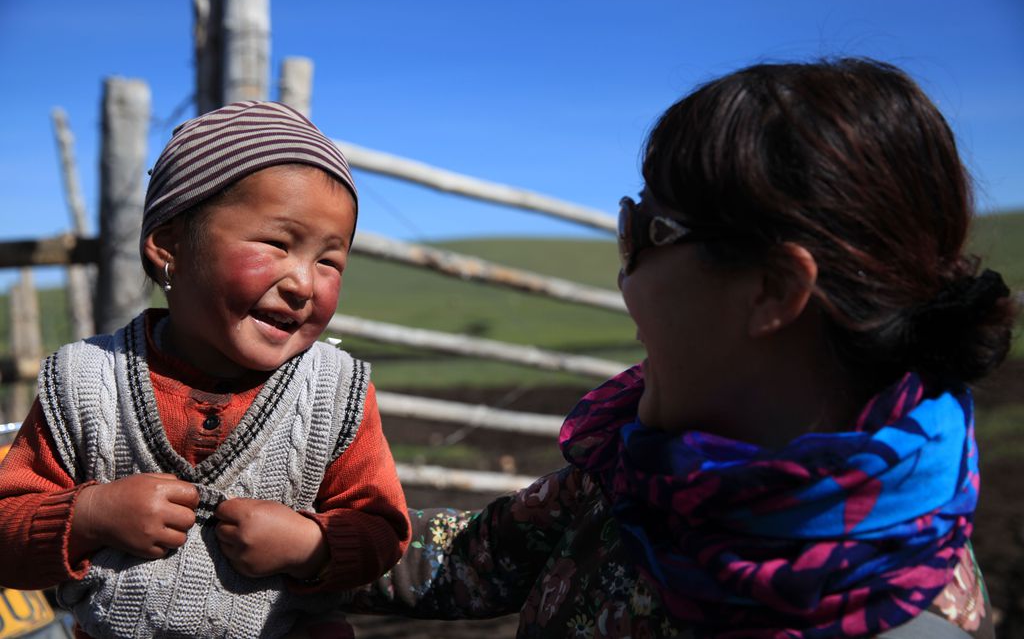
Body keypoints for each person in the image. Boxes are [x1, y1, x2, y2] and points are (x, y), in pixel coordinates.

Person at [344, 59, 1014, 638]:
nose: (624, 276)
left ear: (773, 289)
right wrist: (320, 544)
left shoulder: (909, 614)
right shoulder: (637, 470)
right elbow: (476, 557)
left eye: (644, 232)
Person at [0, 101, 411, 639]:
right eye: (277, 244)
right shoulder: (85, 382)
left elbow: (382, 531)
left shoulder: (335, 395)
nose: (304, 283)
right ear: (168, 245)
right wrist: (90, 515)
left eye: (329, 261)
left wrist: (312, 546)